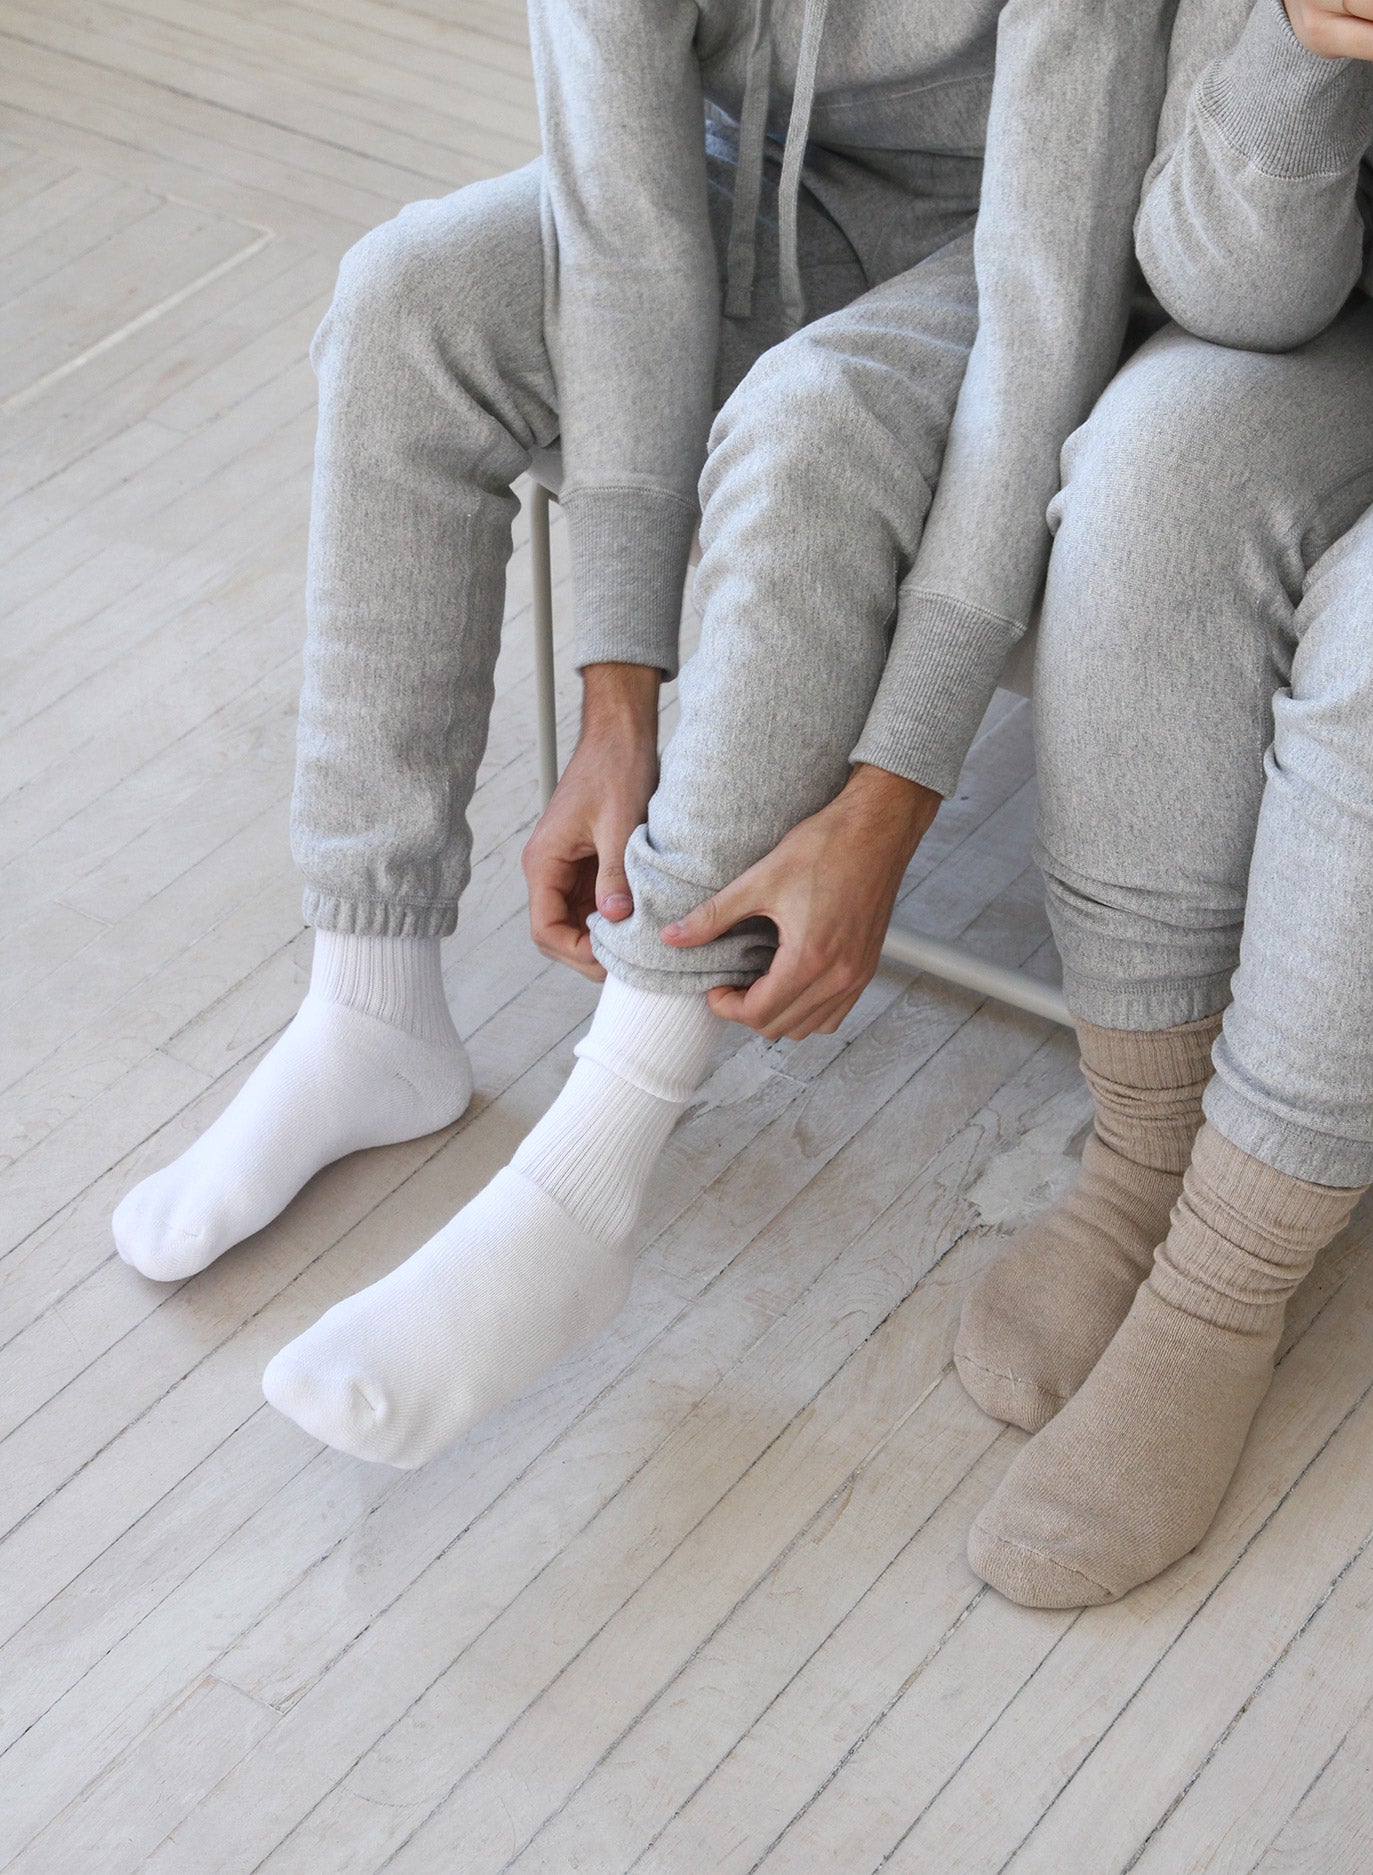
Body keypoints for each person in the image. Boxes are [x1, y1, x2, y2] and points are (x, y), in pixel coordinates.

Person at [111, 1, 1175, 1469]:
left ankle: (593, 1169)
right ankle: (370, 998)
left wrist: (899, 789)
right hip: (759, 186)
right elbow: (625, 229)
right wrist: (621, 699)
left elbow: (1048, 291)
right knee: (409, 296)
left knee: (814, 425)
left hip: (1043, 227)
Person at [955, 0, 1373, 1607]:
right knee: (1157, 459)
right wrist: (1295, 47)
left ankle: (1222, 1287)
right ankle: (1144, 1154)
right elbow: (1227, 295)